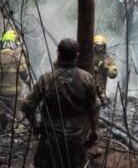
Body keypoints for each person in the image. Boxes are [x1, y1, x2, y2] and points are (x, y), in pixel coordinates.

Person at [22, 38, 100, 168]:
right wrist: (94, 130)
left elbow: (27, 105)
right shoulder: (86, 78)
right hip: (77, 141)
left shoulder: (47, 79)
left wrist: (35, 125)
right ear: (77, 55)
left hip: (51, 142)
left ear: (58, 53)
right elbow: (93, 108)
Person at [0, 29, 30, 130]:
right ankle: (18, 131)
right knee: (17, 112)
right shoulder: (17, 55)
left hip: (1, 91)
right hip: (15, 92)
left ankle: (3, 130)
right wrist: (30, 85)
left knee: (3, 112)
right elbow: (24, 74)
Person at [92, 34, 118, 105]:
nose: (99, 48)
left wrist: (106, 67)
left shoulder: (108, 59)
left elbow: (113, 74)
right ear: (93, 45)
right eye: (97, 45)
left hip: (101, 92)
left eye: (101, 46)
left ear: (104, 47)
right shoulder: (88, 56)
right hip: (88, 89)